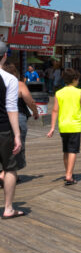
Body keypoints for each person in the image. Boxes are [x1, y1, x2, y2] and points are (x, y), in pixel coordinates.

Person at [46, 68, 81, 185]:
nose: (78, 81)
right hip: (74, 125)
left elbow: (54, 110)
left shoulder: (59, 93)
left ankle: (67, 172)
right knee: (73, 150)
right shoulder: (78, 92)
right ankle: (69, 175)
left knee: (66, 150)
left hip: (63, 126)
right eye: (77, 79)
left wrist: (52, 127)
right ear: (74, 79)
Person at [0, 63, 38, 200]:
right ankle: (8, 174)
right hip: (18, 117)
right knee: (17, 147)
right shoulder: (18, 83)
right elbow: (30, 101)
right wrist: (35, 112)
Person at [0, 43, 25, 218]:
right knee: (9, 168)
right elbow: (11, 108)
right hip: (3, 129)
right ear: (4, 56)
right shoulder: (10, 79)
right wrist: (17, 134)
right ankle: (8, 208)